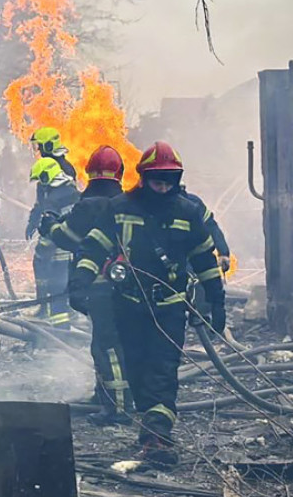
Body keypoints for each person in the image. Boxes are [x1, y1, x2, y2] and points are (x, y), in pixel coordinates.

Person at [72, 141, 225, 464]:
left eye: (169, 180)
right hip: (127, 306)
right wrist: (80, 281)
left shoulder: (188, 212)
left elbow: (204, 258)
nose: (163, 185)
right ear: (143, 176)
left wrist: (216, 298)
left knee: (163, 372)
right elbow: (95, 246)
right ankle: (150, 428)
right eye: (157, 179)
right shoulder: (121, 207)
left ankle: (158, 437)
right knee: (137, 371)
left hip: (169, 307)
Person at [42, 146, 131, 423]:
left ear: (89, 173)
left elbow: (69, 237)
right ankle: (103, 395)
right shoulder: (128, 203)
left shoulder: (88, 205)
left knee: (107, 345)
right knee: (110, 342)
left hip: (98, 284)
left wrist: (50, 226)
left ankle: (117, 408)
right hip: (127, 285)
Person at [27, 157, 79, 329]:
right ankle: (69, 315)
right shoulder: (74, 191)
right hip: (77, 252)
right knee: (68, 289)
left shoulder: (53, 199)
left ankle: (60, 330)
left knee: (56, 291)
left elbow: (50, 233)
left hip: (59, 252)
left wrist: (41, 253)